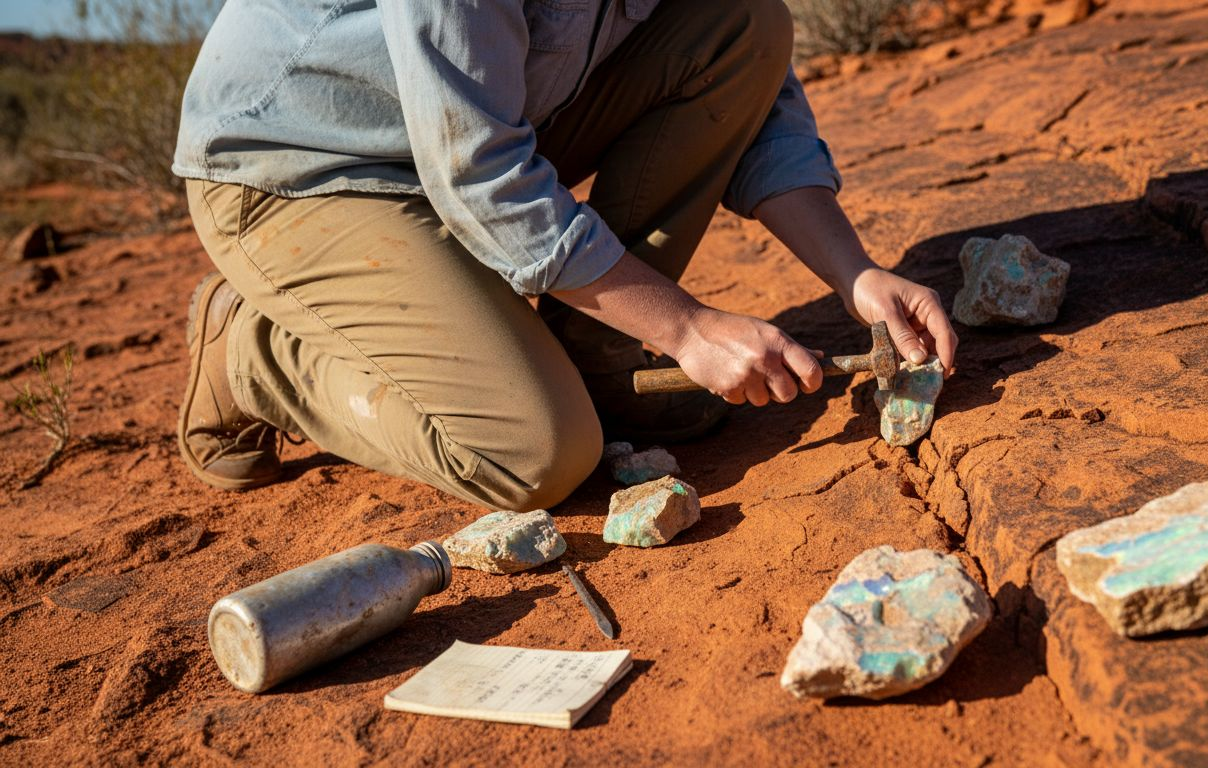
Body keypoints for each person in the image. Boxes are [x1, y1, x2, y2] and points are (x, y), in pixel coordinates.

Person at [173, 0, 957, 512]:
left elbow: (746, 81)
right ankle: (252, 352)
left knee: (740, 23)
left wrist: (854, 273)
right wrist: (684, 328)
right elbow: (480, 172)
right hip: (300, 170)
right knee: (537, 454)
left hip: (463, 130)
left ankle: (599, 357)